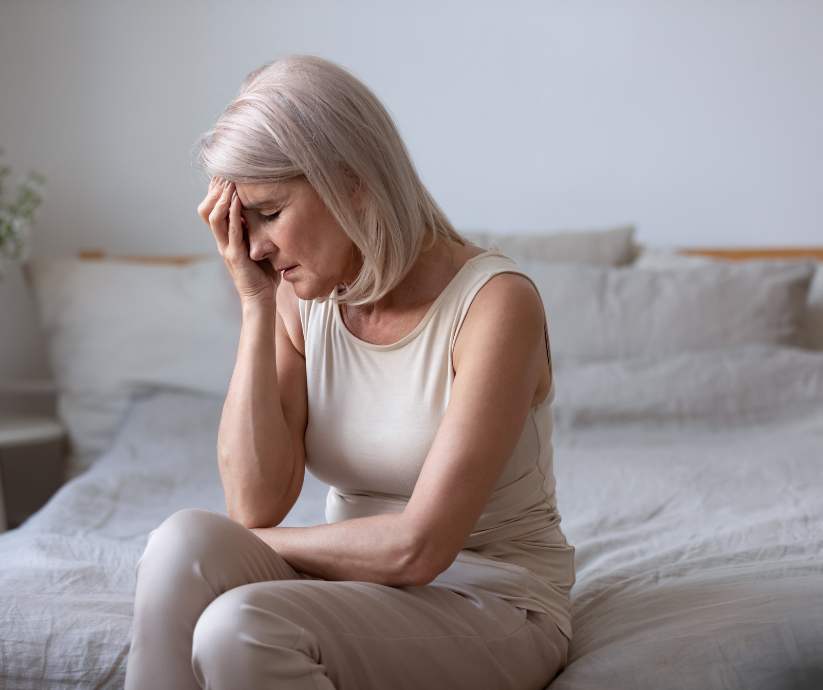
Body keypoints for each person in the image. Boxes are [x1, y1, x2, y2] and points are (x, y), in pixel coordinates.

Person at [124, 54, 575, 690]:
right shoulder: (298, 298)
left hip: (495, 601)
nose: (255, 247)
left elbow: (419, 547)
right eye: (241, 222)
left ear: (351, 180)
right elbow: (255, 502)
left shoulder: (495, 303)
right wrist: (255, 305)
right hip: (359, 590)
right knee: (181, 543)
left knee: (240, 625)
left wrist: (271, 547)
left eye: (270, 213)